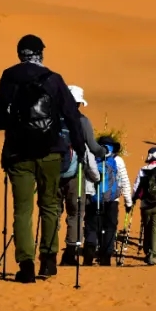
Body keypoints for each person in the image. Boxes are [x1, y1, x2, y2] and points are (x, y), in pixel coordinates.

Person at [0, 34, 86, 283]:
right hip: (51, 152)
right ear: (40, 53)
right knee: (50, 205)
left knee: (22, 211)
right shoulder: (54, 79)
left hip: (17, 154)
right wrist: (80, 147)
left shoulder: (9, 78)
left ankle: (26, 266)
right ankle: (50, 259)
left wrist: (15, 121)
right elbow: (72, 116)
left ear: (19, 53)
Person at [59, 85, 104, 268]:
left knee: (51, 212)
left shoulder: (53, 118)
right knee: (76, 213)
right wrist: (104, 152)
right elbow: (93, 147)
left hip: (52, 171)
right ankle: (69, 254)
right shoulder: (82, 121)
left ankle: (48, 255)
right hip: (73, 173)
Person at [83, 135, 132, 266]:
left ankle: (90, 246)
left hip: (93, 198)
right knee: (110, 227)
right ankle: (106, 257)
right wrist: (128, 202)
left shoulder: (92, 157)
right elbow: (125, 181)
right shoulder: (118, 160)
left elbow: (86, 176)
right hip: (112, 200)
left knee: (92, 225)